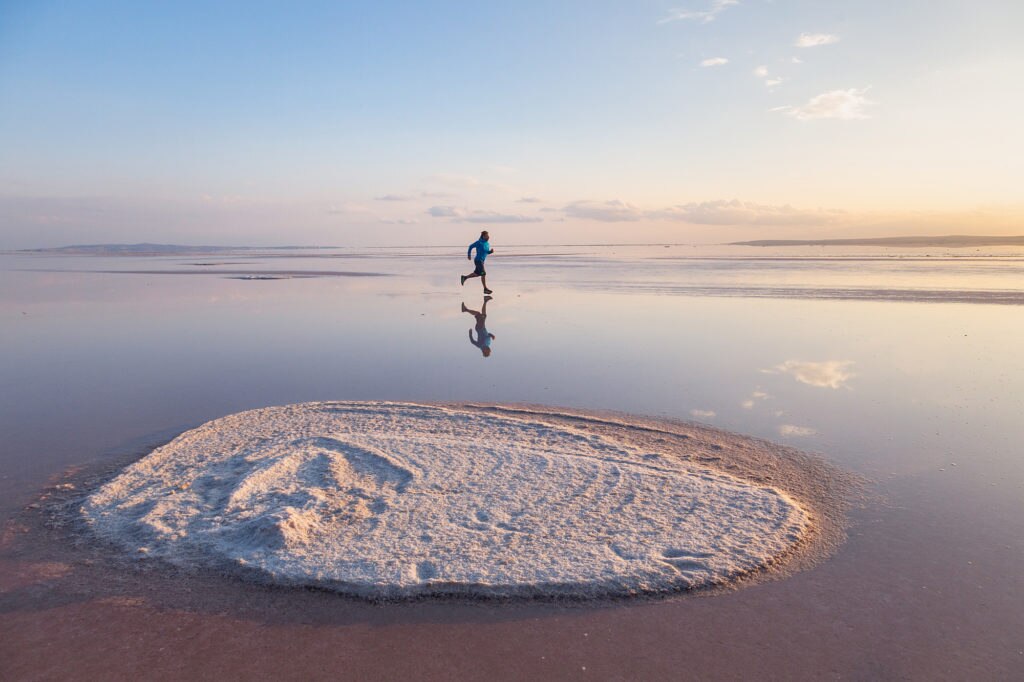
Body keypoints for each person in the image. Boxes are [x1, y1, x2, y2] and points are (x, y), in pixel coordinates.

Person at [461, 230, 494, 294]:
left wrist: (490, 252)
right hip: (478, 260)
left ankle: (464, 277)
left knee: (477, 274)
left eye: (488, 236)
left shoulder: (487, 244)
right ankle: (485, 289)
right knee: (483, 273)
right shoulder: (479, 242)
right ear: (483, 236)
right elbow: (470, 246)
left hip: (482, 261)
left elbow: (486, 252)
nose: (488, 237)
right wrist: (469, 255)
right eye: (487, 236)